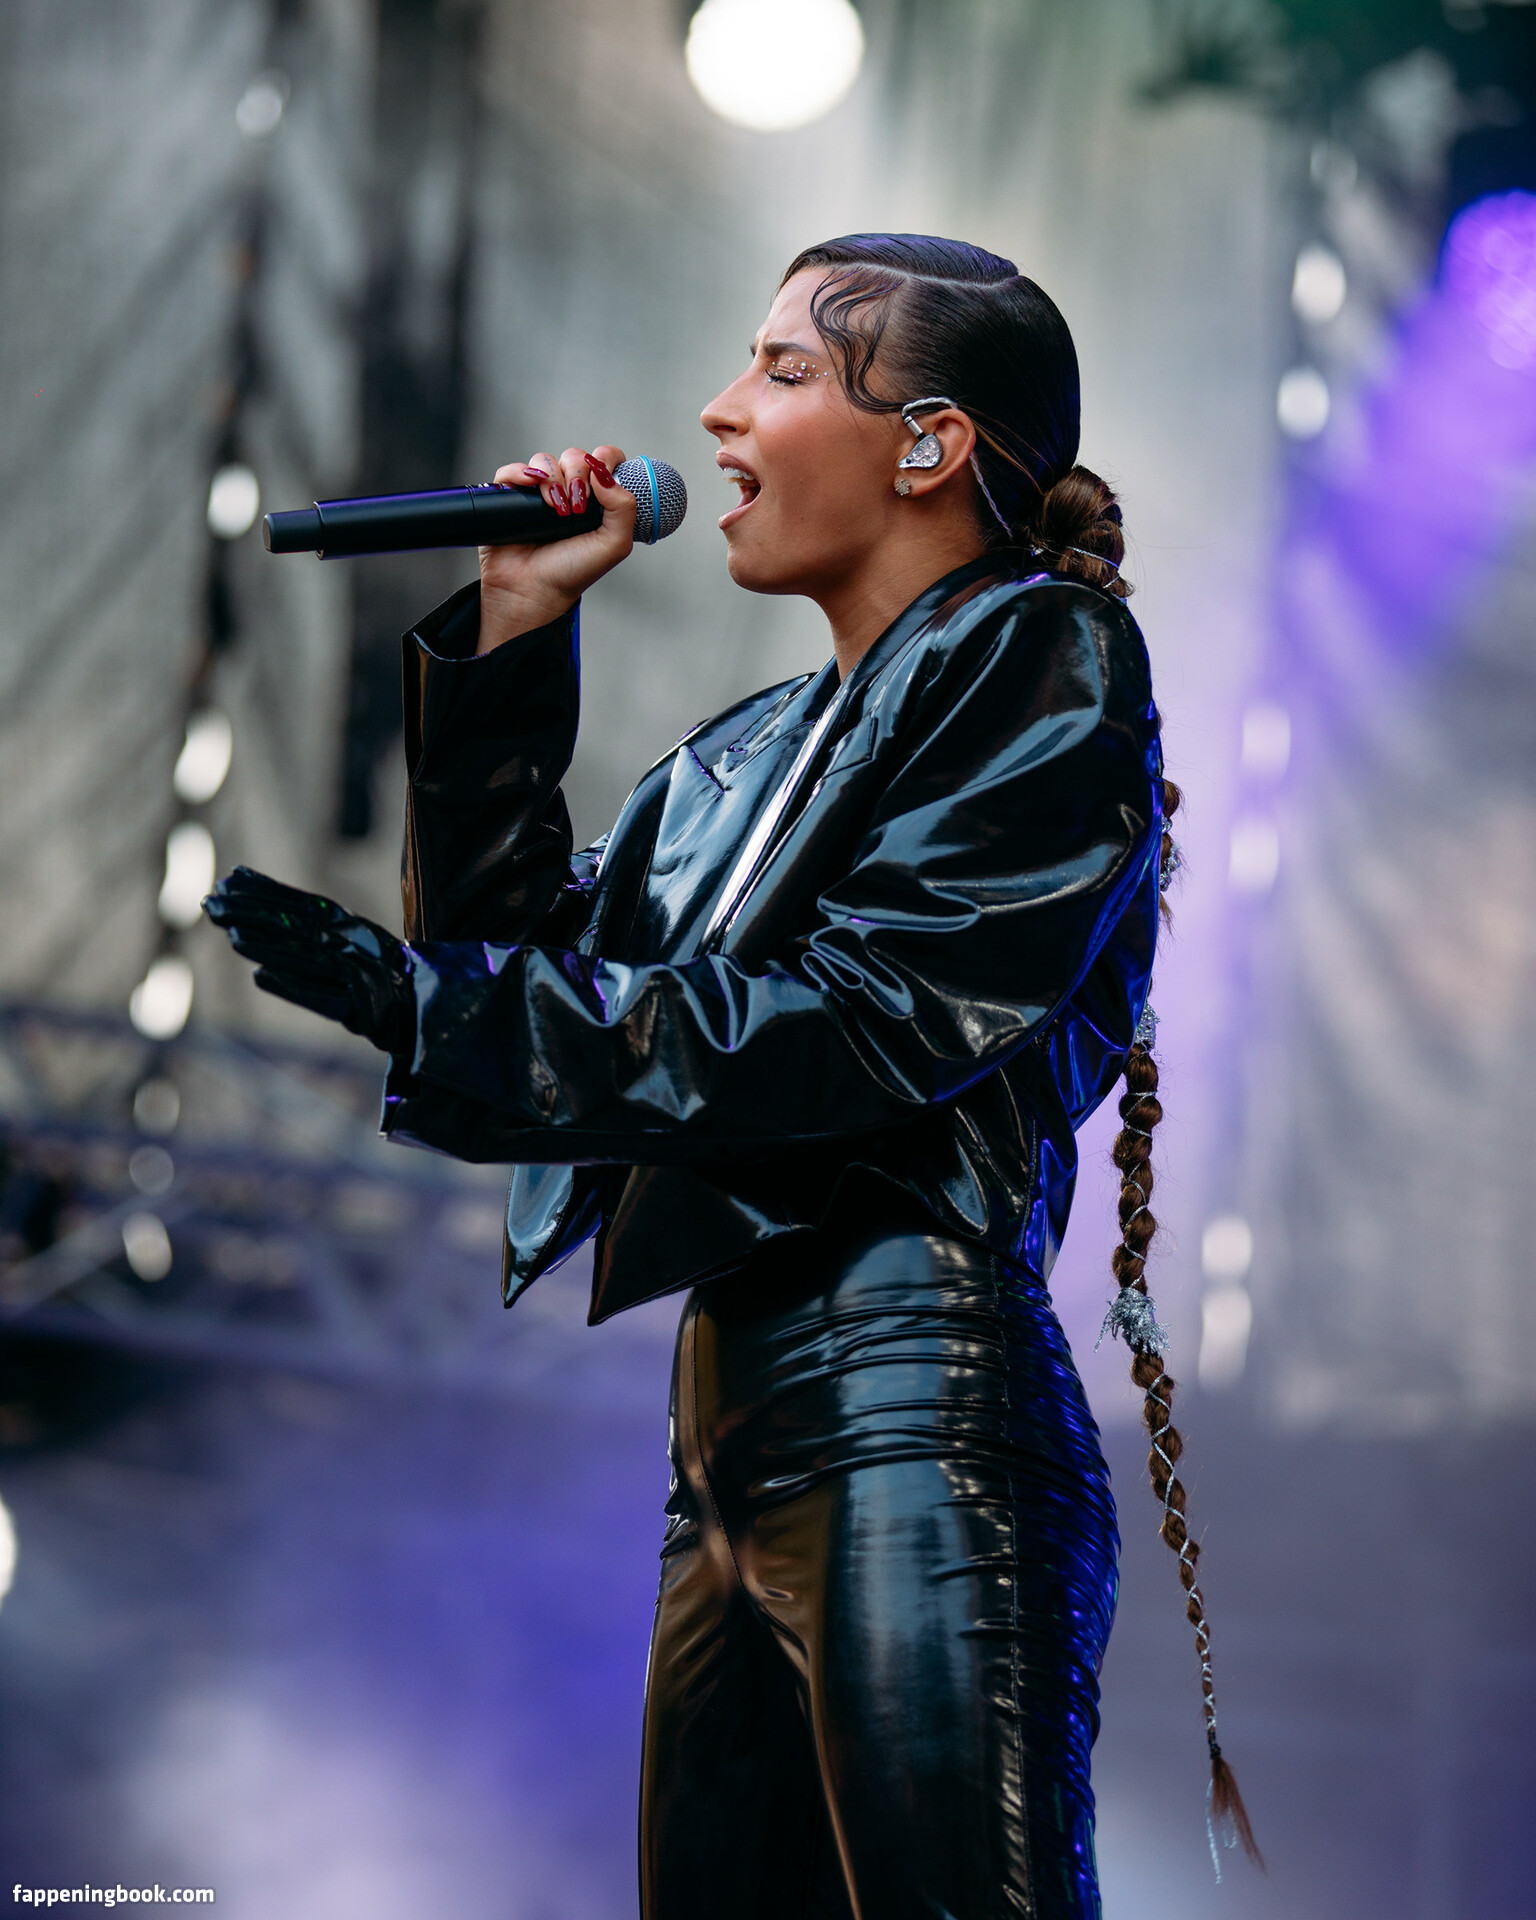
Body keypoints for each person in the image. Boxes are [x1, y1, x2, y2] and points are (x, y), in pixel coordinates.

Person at [206, 233, 1255, 1918]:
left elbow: (863, 1020)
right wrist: (516, 624)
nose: (716, 413)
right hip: (721, 1472)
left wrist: (437, 1004)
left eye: (782, 371)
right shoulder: (739, 761)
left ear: (928, 443)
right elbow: (536, 1007)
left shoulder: (1044, 653)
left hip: (916, 1415)